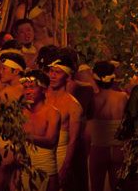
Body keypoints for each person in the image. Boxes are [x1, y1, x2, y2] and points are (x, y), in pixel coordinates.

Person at [87, 61, 128, 191]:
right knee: (118, 188)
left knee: (96, 188)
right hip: (118, 148)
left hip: (98, 147)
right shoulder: (122, 97)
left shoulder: (93, 98)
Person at [44, 55, 83, 188]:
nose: (53, 76)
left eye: (58, 72)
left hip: (58, 155)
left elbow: (74, 139)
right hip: (36, 152)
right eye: (51, 71)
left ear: (67, 77)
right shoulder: (40, 97)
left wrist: (65, 167)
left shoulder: (73, 105)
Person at [21, 70, 62, 191]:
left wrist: (24, 136)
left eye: (32, 87)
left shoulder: (53, 113)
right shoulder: (21, 112)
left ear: (43, 90)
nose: (28, 91)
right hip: (24, 169)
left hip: (46, 170)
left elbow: (51, 141)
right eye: (25, 87)